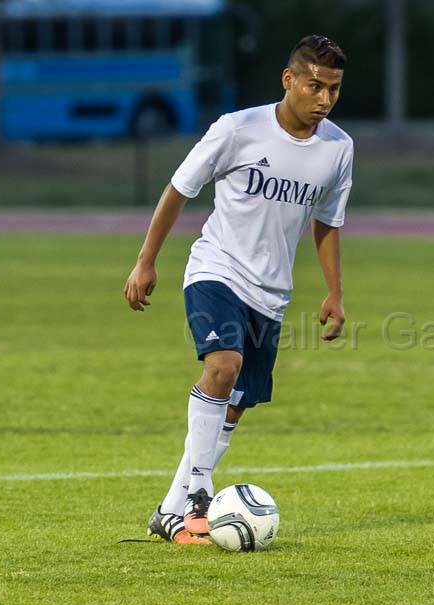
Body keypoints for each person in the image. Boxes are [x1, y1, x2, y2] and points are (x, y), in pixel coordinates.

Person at [123, 35, 352, 545]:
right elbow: (180, 188)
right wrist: (146, 261)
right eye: (314, 85)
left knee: (233, 407)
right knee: (221, 367)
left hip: (271, 295)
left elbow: (327, 222)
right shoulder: (238, 129)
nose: (324, 99)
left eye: (333, 89)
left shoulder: (338, 148)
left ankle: (168, 511)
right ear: (288, 80)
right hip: (216, 269)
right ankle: (201, 495)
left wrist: (334, 293)